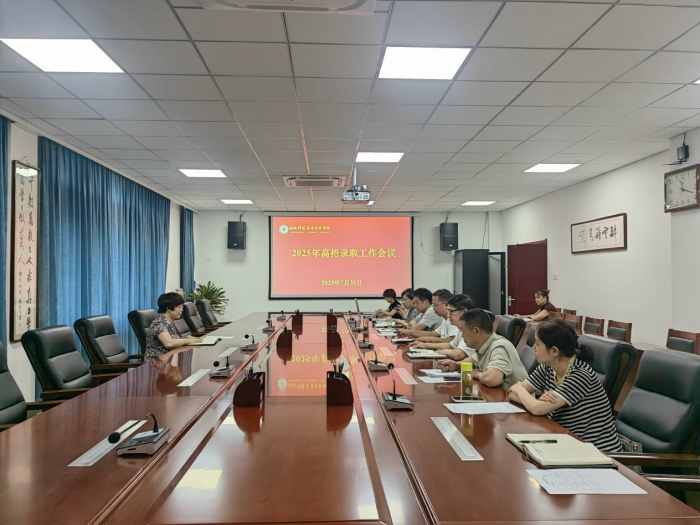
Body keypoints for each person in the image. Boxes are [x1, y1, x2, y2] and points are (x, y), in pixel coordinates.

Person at [508, 319, 622, 452]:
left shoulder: (580, 375)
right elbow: (512, 394)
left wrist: (521, 390)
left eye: (537, 344)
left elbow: (536, 409)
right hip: (565, 440)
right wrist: (533, 400)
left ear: (554, 351)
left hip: (596, 450)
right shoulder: (547, 367)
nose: (533, 348)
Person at [437, 309, 528, 389]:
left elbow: (491, 379)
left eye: (462, 331)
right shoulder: (483, 345)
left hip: (514, 400)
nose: (462, 335)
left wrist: (475, 373)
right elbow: (473, 360)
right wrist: (456, 365)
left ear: (476, 331)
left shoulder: (500, 346)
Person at [145, 292, 203, 361]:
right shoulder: (159, 323)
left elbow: (173, 340)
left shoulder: (169, 322)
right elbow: (169, 343)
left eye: (182, 306)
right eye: (179, 307)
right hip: (156, 363)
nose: (182, 310)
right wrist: (188, 341)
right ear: (169, 309)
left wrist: (185, 338)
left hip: (169, 359)